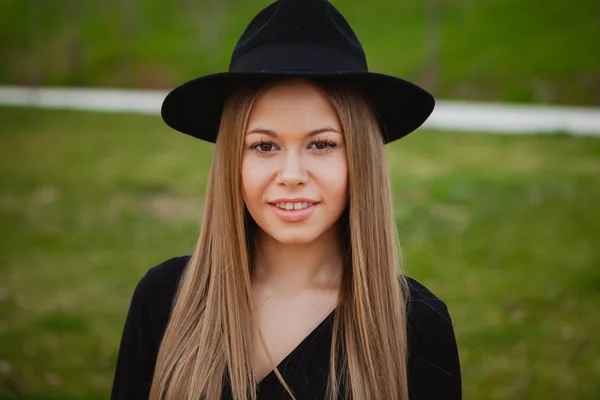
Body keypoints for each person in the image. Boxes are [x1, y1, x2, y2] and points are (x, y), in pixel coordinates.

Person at [111, 0, 461, 399]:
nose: (292, 175)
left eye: (322, 144)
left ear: (360, 159)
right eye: (263, 146)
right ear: (231, 162)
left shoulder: (415, 324)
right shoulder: (164, 299)